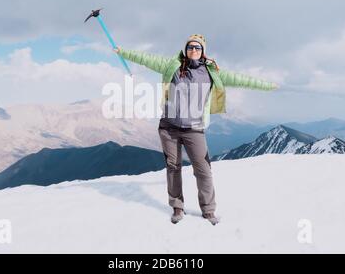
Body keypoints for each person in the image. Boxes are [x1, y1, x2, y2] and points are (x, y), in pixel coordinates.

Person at [113, 34, 279, 225]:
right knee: (173, 168)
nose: (193, 50)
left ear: (203, 51)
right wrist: (122, 52)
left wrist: (267, 86)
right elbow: (147, 59)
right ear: (185, 49)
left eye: (197, 47)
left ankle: (208, 210)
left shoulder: (212, 72)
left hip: (194, 129)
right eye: (190, 47)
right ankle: (177, 206)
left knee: (204, 170)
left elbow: (240, 79)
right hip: (169, 127)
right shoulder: (172, 65)